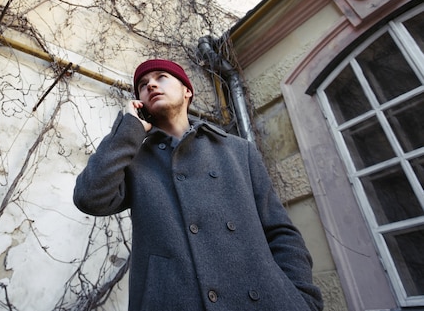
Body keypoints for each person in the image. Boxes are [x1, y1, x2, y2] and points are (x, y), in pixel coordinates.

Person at [73, 59, 324, 311]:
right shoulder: (135, 162)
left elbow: (281, 231)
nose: (150, 85)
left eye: (161, 77)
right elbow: (89, 197)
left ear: (187, 91)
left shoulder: (238, 151)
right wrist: (129, 128)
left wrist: (301, 296)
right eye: (142, 84)